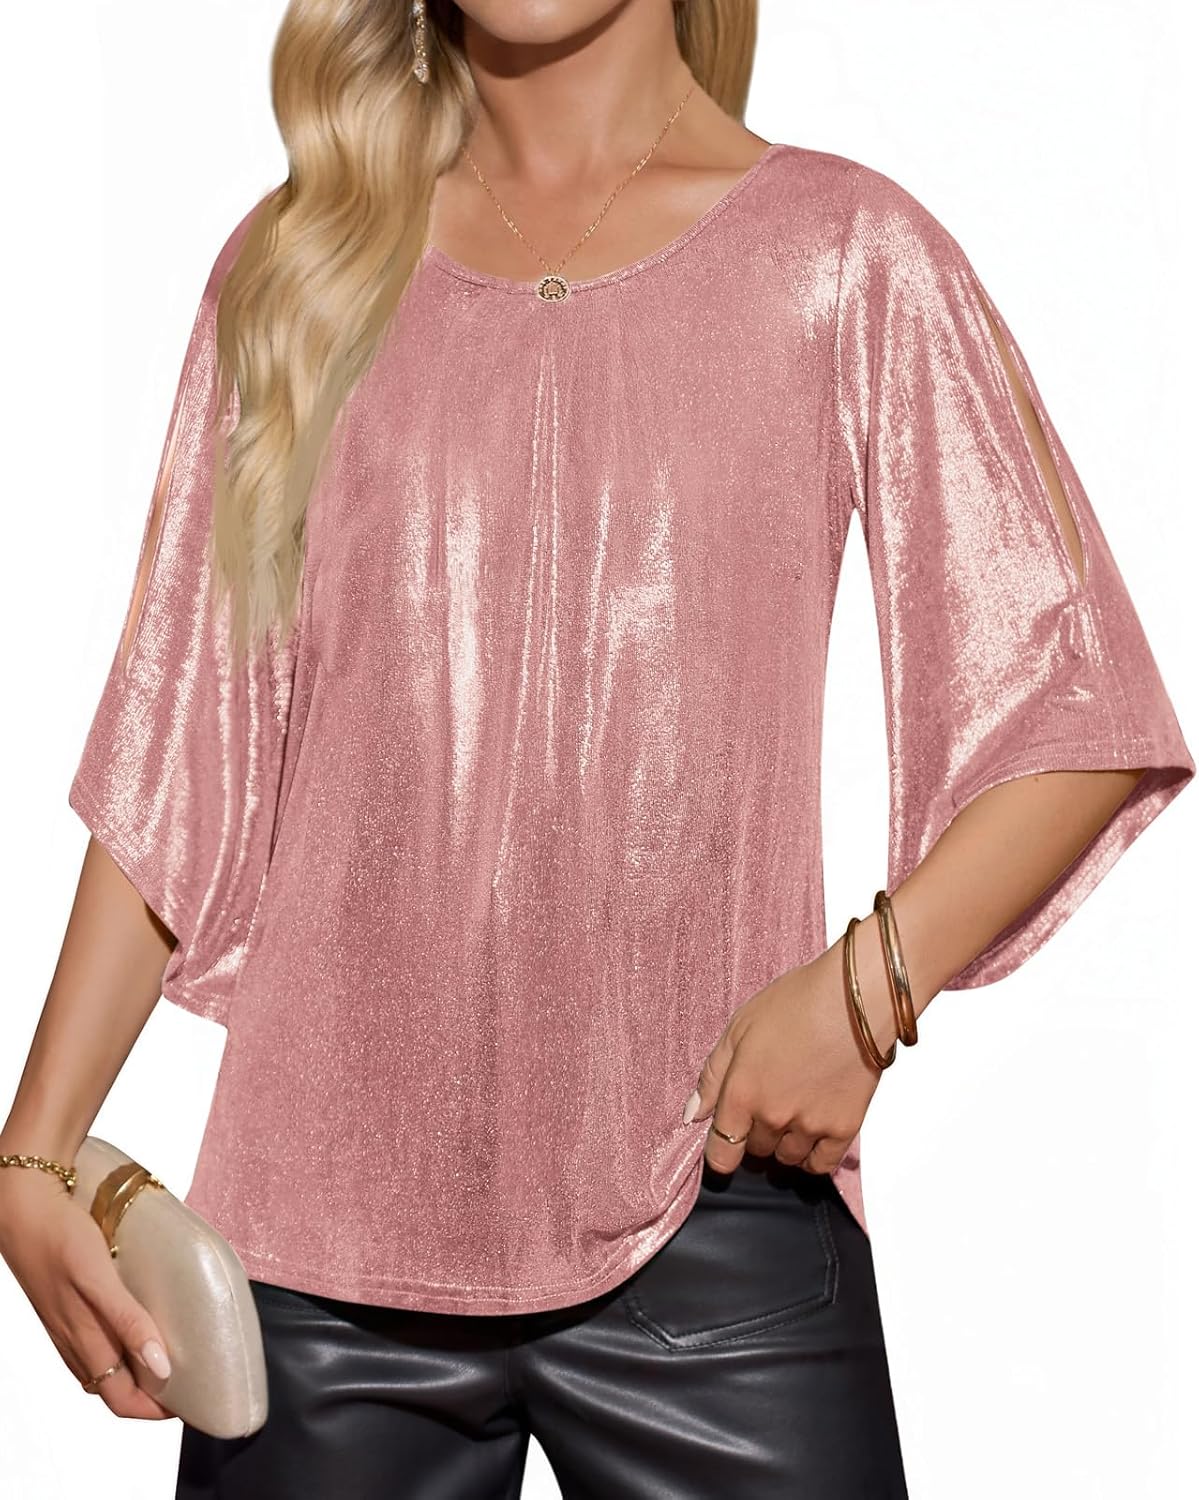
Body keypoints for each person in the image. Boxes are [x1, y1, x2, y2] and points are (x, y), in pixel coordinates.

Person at [1, 1, 1193, 1496]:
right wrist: (33, 1148)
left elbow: (1076, 703)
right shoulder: (300, 272)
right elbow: (182, 751)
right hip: (317, 1257)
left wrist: (867, 991)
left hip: (711, 1207)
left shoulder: (844, 256)